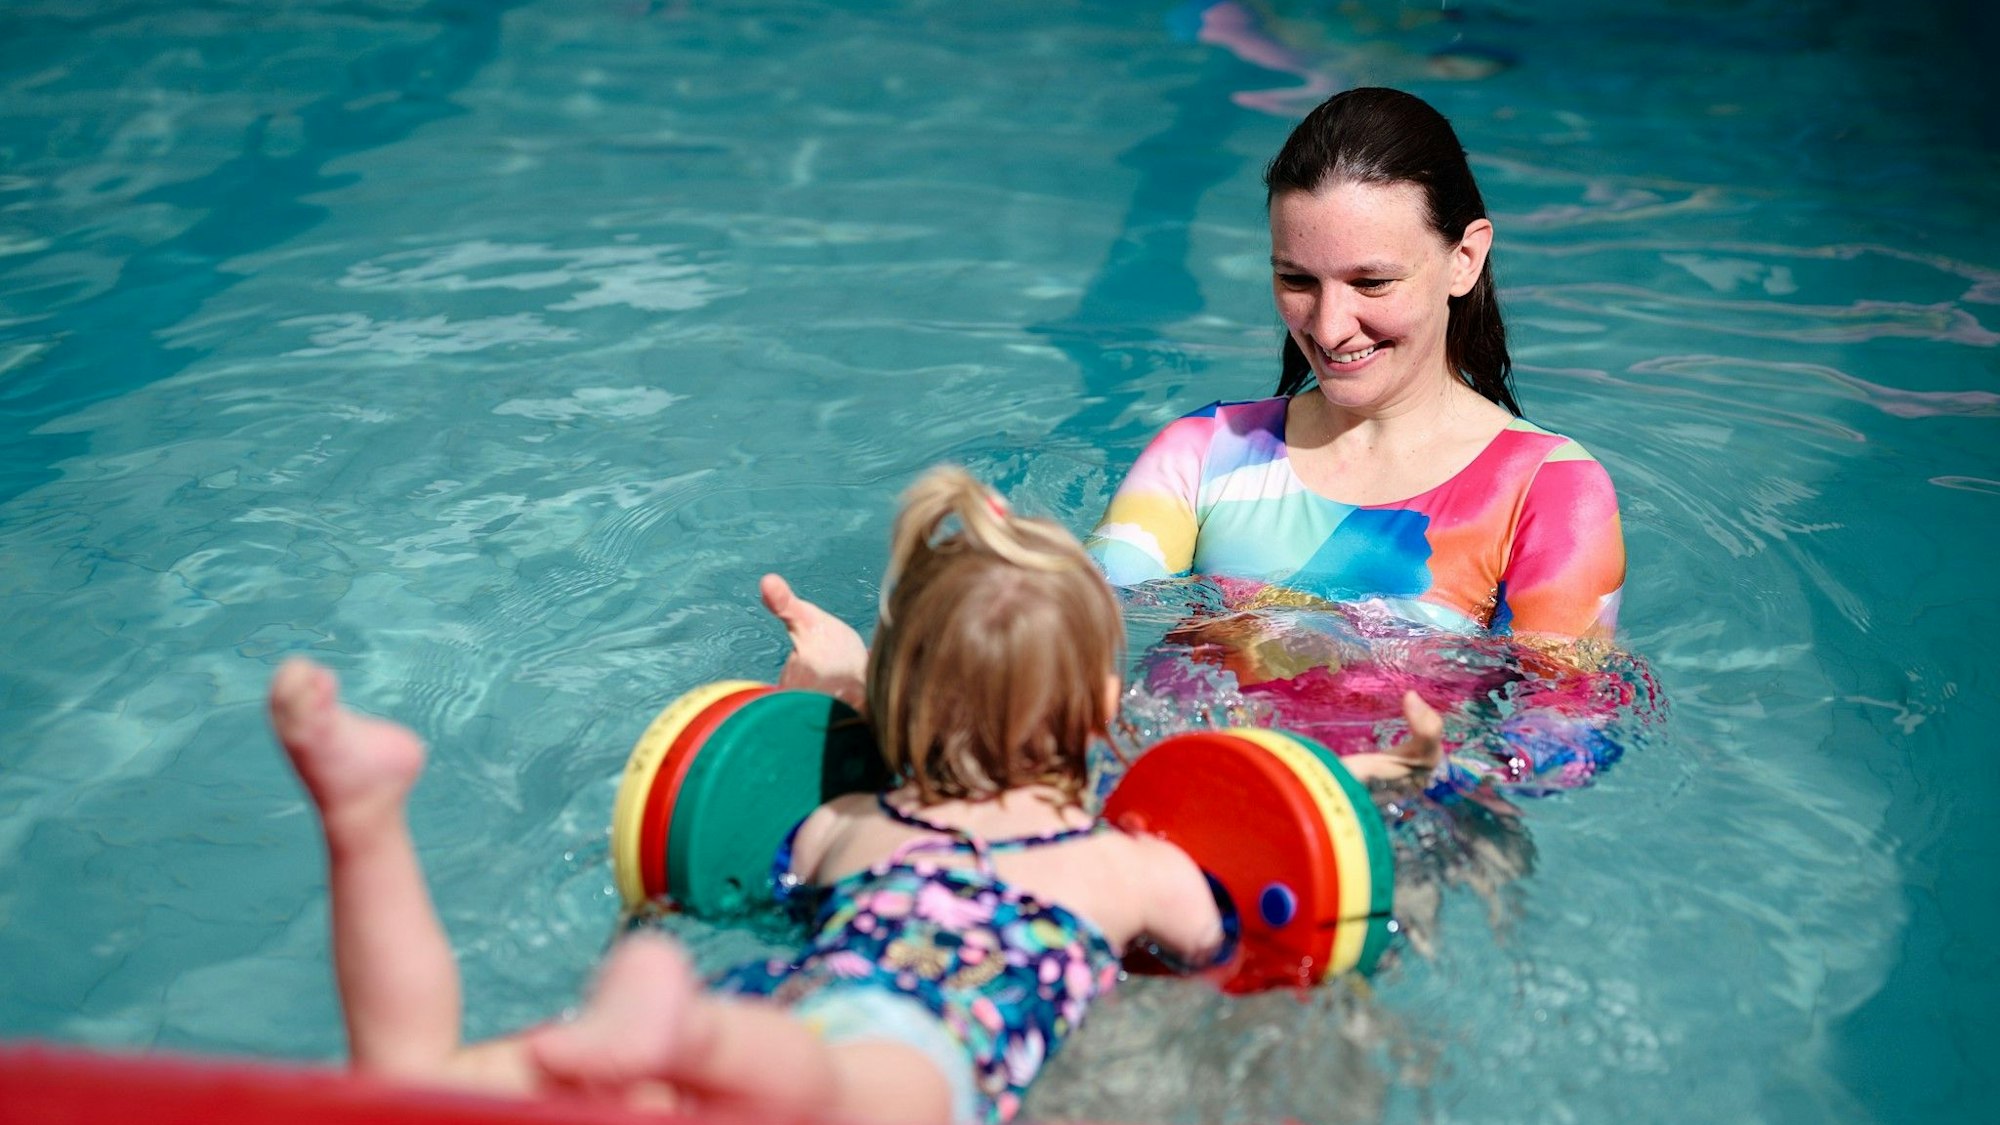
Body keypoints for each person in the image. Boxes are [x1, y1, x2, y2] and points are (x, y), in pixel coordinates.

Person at [271, 466, 1445, 1125]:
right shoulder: (1126, 867)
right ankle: (687, 1027)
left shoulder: (842, 825)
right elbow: (1258, 904)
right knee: (842, 1090)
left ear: (897, 701)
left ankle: (364, 822)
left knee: (410, 1092)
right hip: (889, 1062)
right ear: (1097, 706)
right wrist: (1376, 787)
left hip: (794, 998)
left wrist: (838, 686)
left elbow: (860, 745)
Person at [1084, 86, 1624, 641]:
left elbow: (1562, 718)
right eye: (1297, 280)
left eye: (1372, 282)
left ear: (1464, 260)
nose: (1328, 326)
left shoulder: (1548, 490)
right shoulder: (1205, 452)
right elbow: (1063, 639)